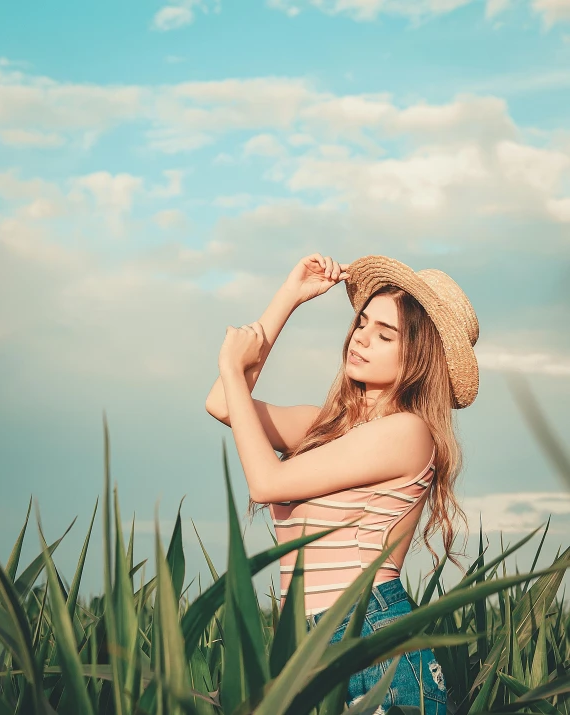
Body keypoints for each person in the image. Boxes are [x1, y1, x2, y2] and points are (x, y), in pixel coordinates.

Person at [205, 252, 479, 713]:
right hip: (307, 642)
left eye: (384, 334)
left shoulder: (407, 432)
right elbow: (221, 402)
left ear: (417, 356)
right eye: (362, 323)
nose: (361, 339)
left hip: (369, 638)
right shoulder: (326, 428)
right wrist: (288, 298)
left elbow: (266, 483)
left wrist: (235, 366)